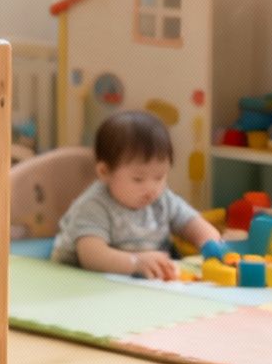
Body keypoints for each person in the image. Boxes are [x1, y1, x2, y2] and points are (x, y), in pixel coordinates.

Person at [53, 109, 225, 277]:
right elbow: (92, 256)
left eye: (159, 177)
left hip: (138, 280)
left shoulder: (162, 199)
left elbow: (190, 222)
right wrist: (135, 263)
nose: (151, 188)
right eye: (138, 179)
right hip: (83, 278)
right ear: (105, 172)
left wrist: (209, 241)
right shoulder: (94, 205)